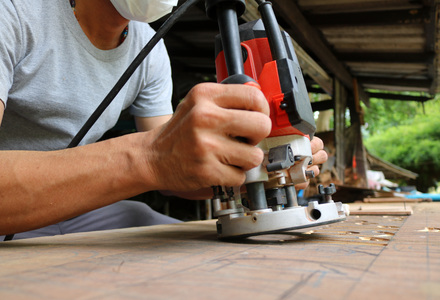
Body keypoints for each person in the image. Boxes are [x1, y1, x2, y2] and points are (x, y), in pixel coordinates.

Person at [0, 0, 327, 240]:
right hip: (10, 212)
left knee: (165, 235)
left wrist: (253, 165)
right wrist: (148, 156)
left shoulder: (150, 49)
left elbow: (177, 171)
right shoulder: (14, 12)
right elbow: (159, 157)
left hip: (75, 210)